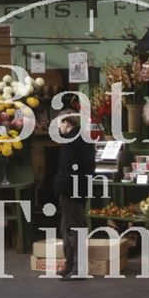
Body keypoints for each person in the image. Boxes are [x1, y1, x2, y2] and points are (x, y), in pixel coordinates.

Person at [53, 112, 96, 280]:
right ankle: (70, 265)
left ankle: (79, 268)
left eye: (59, 123)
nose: (58, 127)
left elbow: (69, 169)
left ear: (66, 122)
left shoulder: (72, 140)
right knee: (66, 229)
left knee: (74, 230)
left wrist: (63, 189)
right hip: (76, 189)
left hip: (72, 191)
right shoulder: (79, 137)